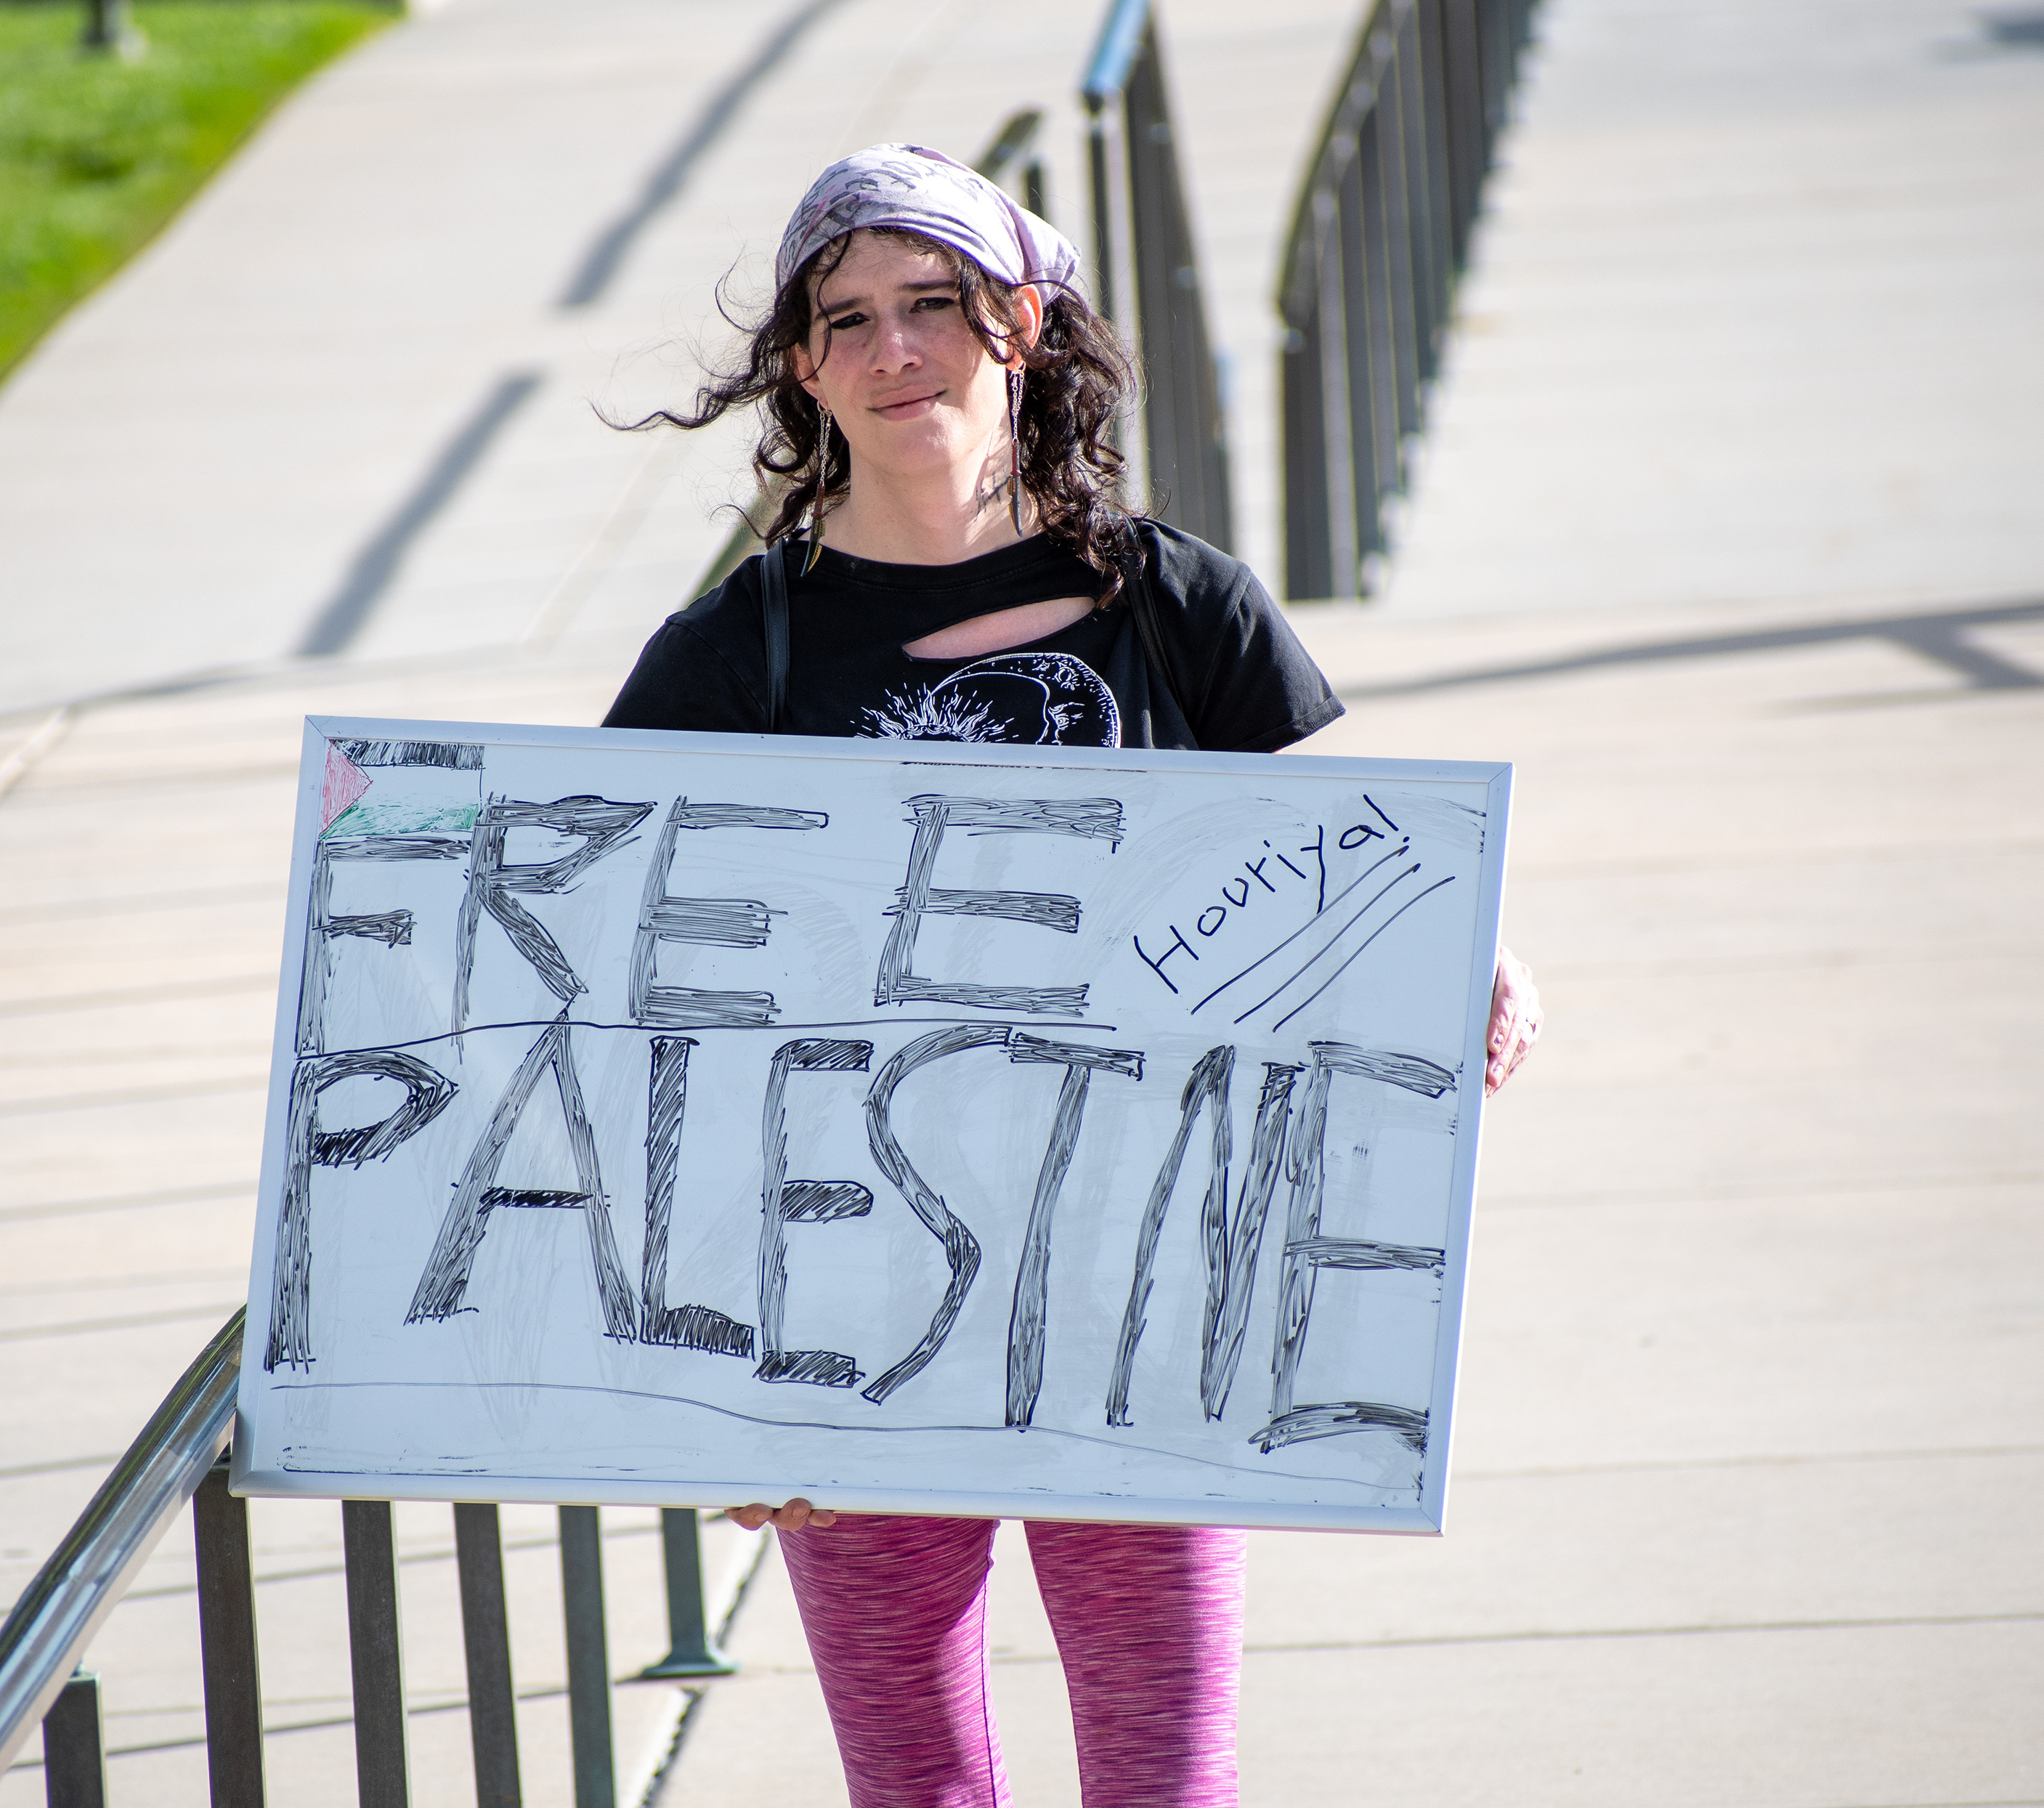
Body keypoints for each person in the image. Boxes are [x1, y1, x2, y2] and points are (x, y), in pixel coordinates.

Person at [604, 144, 1542, 1808]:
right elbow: (627, 1026)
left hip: (1140, 1287)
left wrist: (1465, 953)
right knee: (917, 1785)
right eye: (848, 320)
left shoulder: (1178, 606)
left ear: (1019, 324)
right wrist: (713, 1394)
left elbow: (1350, 866)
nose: (898, 353)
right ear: (804, 366)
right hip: (846, 1318)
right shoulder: (725, 658)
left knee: (1167, 1778)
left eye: (935, 308)